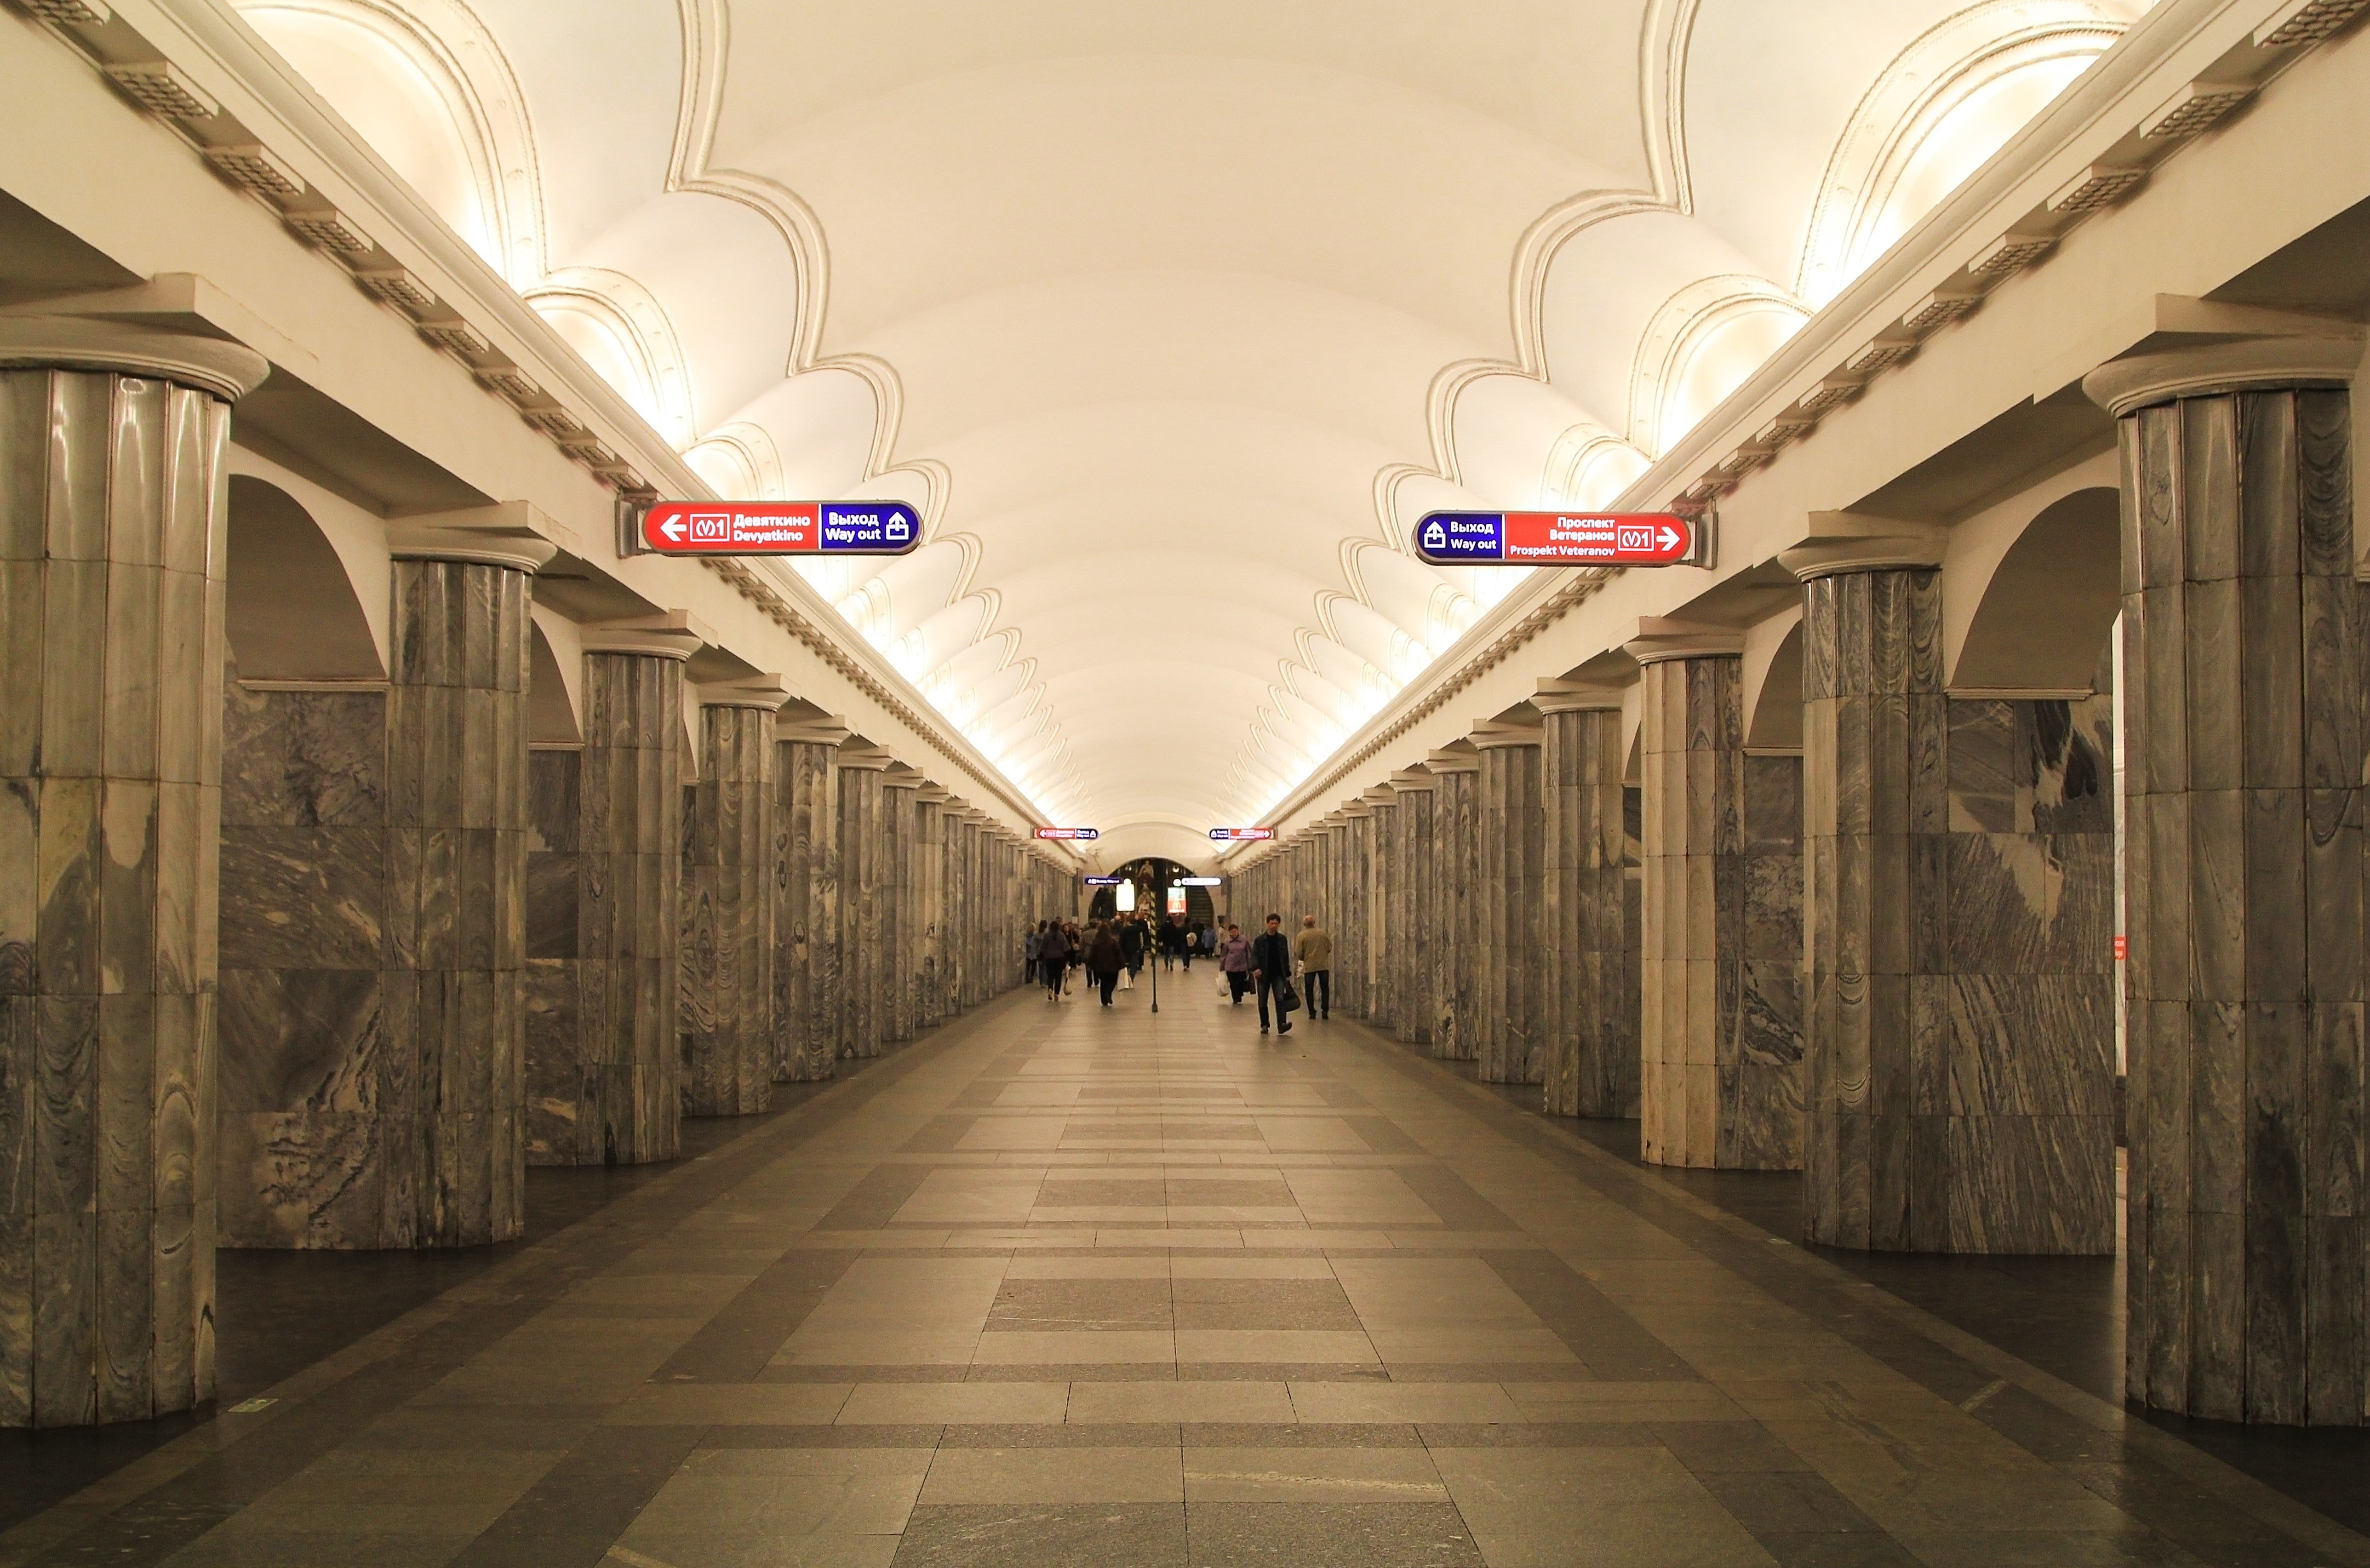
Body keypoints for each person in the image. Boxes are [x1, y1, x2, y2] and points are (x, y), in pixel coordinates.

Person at [1250, 913, 1295, 1036]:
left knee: (1280, 999)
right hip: (1264, 974)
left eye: (1276, 923)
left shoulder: (1282, 939)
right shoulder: (1260, 940)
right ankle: (1265, 1024)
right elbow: (1254, 956)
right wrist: (1256, 968)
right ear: (1268, 923)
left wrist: (1287, 972)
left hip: (1278, 974)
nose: (1274, 926)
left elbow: (1285, 957)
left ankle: (1282, 1024)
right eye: (1272, 923)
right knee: (1262, 1001)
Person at [1294, 914, 1332, 1021]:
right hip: (1323, 965)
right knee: (1325, 988)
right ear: (1314, 923)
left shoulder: (1302, 936)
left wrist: (1305, 957)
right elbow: (1330, 947)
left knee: (1309, 989)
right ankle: (1325, 1010)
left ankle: (1312, 1012)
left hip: (1309, 966)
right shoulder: (1323, 933)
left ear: (1304, 924)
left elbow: (1299, 953)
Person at [1088, 919, 1123, 1007]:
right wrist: (1122, 964)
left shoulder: (1096, 942)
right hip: (1113, 966)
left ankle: (1104, 1000)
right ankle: (1108, 993)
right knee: (1112, 981)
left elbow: (1092, 955)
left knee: (1103, 982)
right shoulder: (1113, 942)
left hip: (1100, 967)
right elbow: (1119, 953)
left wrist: (1090, 965)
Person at [1218, 924, 1252, 1005]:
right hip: (1231, 967)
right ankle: (1235, 998)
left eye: (1235, 932)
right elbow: (1224, 955)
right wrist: (1222, 967)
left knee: (1240, 982)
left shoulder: (1244, 941)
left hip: (1242, 966)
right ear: (1230, 933)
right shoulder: (1227, 943)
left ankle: (1239, 995)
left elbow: (1248, 953)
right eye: (1232, 932)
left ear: (1238, 931)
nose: (1234, 934)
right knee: (1233, 984)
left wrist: (1250, 965)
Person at [1038, 920, 1070, 997]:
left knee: (1050, 975)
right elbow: (1066, 948)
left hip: (1049, 958)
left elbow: (1043, 948)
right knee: (1058, 976)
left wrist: (1041, 958)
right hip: (1060, 959)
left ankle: (1050, 988)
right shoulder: (1062, 935)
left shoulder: (1047, 935)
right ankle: (1057, 994)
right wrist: (1067, 960)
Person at [1119, 913, 1144, 990]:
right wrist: (1139, 920)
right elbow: (1143, 928)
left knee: (1126, 965)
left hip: (1126, 950)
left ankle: (1126, 980)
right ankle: (1131, 979)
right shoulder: (1137, 929)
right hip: (1135, 949)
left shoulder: (1124, 930)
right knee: (1134, 965)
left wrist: (1121, 948)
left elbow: (1122, 940)